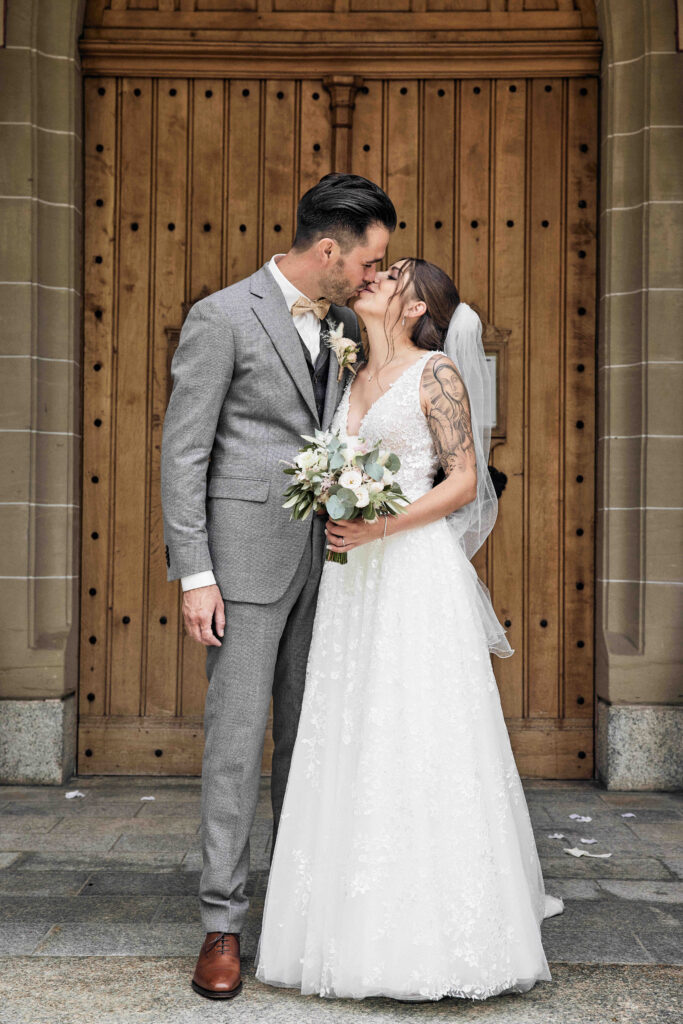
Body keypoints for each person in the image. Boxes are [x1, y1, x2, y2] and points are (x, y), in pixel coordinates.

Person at [255, 257, 565, 1002]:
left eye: (390, 276)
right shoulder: (350, 373)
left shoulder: (436, 374)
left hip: (410, 572)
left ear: (417, 306)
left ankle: (439, 931)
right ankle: (346, 923)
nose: (373, 277)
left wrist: (380, 525)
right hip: (352, 580)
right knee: (352, 728)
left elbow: (463, 480)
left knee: (417, 728)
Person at [160, 173, 397, 1000]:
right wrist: (196, 574)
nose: (373, 275)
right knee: (235, 745)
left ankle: (296, 914)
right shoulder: (222, 316)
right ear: (327, 250)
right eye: (367, 261)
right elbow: (184, 452)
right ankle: (221, 924)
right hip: (242, 565)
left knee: (308, 740)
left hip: (328, 565)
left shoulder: (343, 325)